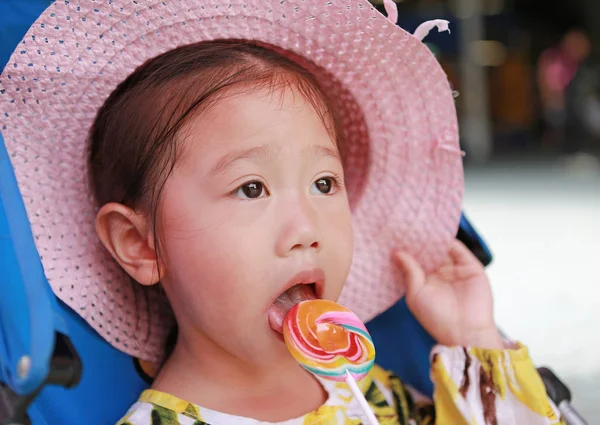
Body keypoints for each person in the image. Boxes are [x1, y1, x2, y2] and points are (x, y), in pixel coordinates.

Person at [0, 1, 563, 424]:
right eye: (251, 189)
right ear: (140, 243)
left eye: (324, 182)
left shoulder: (372, 391)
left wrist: (475, 338)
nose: (305, 230)